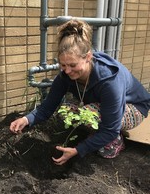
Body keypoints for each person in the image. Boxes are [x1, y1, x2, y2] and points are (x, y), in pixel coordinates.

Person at [10, 19, 150, 165]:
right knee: (67, 110)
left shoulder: (109, 81)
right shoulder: (65, 75)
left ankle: (116, 141)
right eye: (63, 65)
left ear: (88, 57)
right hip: (104, 105)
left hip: (134, 108)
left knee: (91, 113)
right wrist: (26, 120)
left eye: (73, 65)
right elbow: (48, 106)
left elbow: (110, 129)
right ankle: (97, 133)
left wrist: (78, 150)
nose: (67, 70)